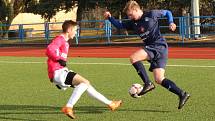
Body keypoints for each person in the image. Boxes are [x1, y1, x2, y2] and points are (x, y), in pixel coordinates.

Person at [104, 0, 190, 109]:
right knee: (159, 79)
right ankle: (182, 94)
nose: (130, 17)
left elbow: (167, 12)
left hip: (158, 46)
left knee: (133, 57)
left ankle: (147, 83)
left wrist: (171, 22)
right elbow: (119, 25)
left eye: (130, 14)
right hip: (156, 49)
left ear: (136, 9)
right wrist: (110, 17)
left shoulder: (151, 14)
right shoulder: (133, 22)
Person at [46, 20, 122, 119]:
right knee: (85, 83)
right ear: (69, 30)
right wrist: (59, 59)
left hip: (60, 72)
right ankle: (68, 107)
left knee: (87, 85)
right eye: (75, 30)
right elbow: (49, 49)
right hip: (58, 72)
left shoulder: (65, 42)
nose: (76, 32)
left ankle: (111, 104)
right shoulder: (60, 39)